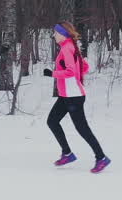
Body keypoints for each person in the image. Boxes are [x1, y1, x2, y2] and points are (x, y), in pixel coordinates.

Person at [44, 22, 110, 173]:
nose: (54, 35)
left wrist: (52, 74)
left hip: (73, 96)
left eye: (55, 32)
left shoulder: (67, 48)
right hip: (67, 95)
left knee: (82, 129)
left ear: (62, 34)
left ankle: (101, 158)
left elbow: (70, 72)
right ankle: (67, 153)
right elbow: (84, 67)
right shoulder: (70, 47)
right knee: (52, 121)